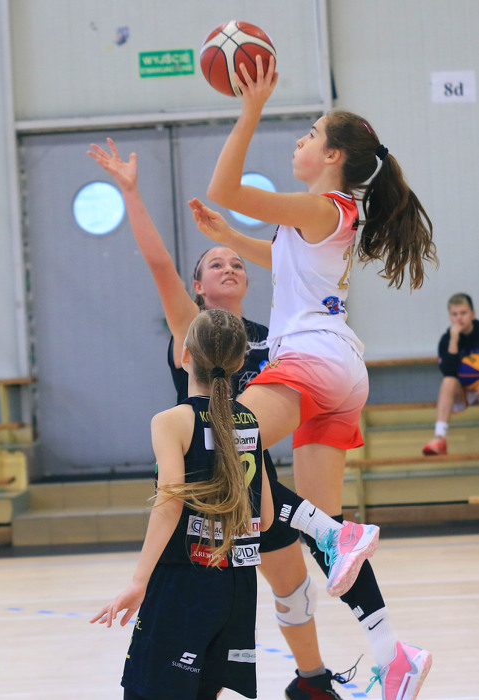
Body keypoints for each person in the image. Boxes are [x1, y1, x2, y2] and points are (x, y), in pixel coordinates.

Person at [87, 138, 376, 699]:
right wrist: (130, 193)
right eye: (215, 263)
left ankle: (312, 680)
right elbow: (159, 263)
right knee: (202, 614)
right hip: (205, 486)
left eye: (237, 262)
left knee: (290, 587)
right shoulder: (191, 327)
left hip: (255, 484)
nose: (229, 266)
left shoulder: (273, 340)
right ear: (198, 286)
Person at [188, 55, 437, 700]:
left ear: (331, 157)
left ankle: (334, 534)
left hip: (313, 359)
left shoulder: (322, 206)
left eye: (309, 135)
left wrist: (251, 108)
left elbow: (224, 185)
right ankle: (392, 654)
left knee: (224, 437)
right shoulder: (330, 213)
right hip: (340, 369)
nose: (299, 141)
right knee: (322, 533)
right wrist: (230, 235)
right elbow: (284, 260)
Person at [91, 309, 274, 699]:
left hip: (184, 583)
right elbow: (267, 515)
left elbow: (170, 503)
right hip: (237, 587)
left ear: (185, 354)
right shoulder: (249, 420)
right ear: (240, 362)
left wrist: (139, 581)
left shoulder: (171, 421)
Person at [423, 293, 479, 455]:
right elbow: (448, 371)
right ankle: (439, 438)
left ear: (473, 314)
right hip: (463, 390)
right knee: (448, 381)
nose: (459, 318)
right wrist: (454, 340)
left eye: (463, 313)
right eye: (454, 314)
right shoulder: (446, 339)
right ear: (450, 316)